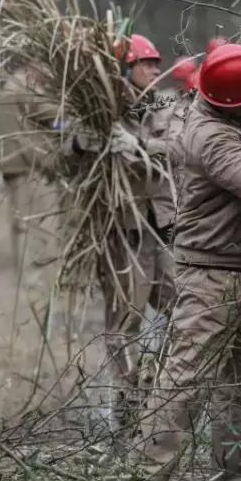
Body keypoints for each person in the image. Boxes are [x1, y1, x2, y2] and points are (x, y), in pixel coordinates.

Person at [130, 42, 241, 481]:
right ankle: (146, 479)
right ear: (239, 98)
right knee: (184, 375)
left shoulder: (233, 119)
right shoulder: (209, 135)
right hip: (211, 275)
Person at [71, 33, 178, 432]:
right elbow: (69, 148)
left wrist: (138, 144)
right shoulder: (98, 110)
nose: (155, 69)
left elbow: (176, 146)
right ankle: (129, 401)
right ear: (125, 68)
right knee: (125, 319)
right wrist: (92, 137)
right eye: (147, 63)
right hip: (122, 231)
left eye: (156, 63)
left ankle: (160, 384)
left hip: (161, 225)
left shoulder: (164, 104)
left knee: (180, 309)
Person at [0, 63, 58, 278]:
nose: (47, 80)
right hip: (24, 162)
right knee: (32, 221)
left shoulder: (12, 84)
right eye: (46, 74)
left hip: (13, 161)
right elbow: (45, 111)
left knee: (22, 219)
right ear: (35, 68)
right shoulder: (24, 86)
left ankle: (27, 271)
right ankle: (32, 274)